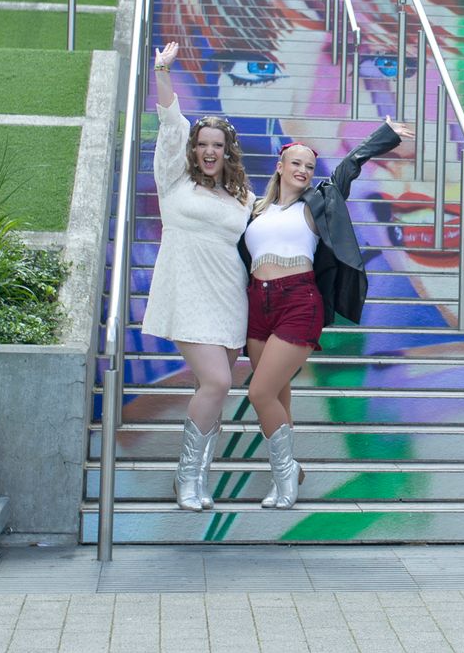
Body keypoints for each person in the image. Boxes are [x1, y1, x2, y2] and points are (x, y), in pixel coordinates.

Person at [242, 115, 415, 509]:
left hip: (298, 301)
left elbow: (346, 169)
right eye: (296, 163)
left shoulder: (317, 203)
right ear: (280, 166)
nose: (303, 170)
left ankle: (285, 478)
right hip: (257, 304)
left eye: (308, 165)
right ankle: (289, 471)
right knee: (278, 397)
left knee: (259, 392)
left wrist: (382, 138)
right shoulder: (255, 208)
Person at [144, 41, 254, 512]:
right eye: (203, 145)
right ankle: (188, 478)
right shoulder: (174, 181)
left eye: (218, 145)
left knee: (211, 388)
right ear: (193, 150)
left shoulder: (243, 197)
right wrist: (161, 71)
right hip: (187, 292)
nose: (210, 151)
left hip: (230, 297)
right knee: (216, 383)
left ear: (228, 152)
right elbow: (172, 122)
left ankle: (198, 477)